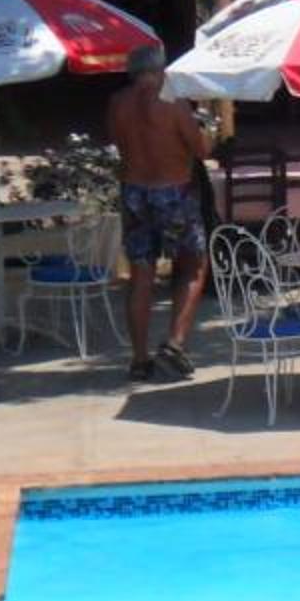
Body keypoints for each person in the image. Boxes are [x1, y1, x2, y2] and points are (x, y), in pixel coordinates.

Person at [105, 43, 211, 381]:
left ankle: (139, 359)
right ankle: (175, 342)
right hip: (174, 189)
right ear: (162, 69)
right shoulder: (172, 102)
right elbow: (200, 149)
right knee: (193, 265)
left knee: (141, 275)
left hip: (135, 190)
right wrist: (208, 130)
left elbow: (118, 143)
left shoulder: (118, 103)